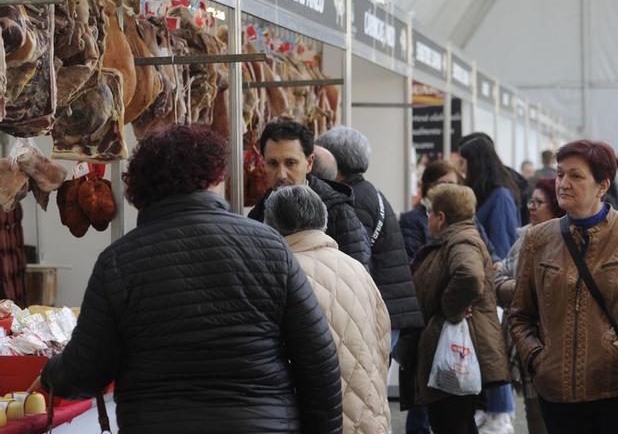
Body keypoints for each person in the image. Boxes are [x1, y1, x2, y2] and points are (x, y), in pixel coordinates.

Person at [40, 126, 343, 433]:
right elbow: (318, 360)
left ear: (140, 189)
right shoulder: (270, 245)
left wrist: (50, 374)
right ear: (212, 177)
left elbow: (86, 370)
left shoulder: (119, 261)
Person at [509, 139, 618, 434]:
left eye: (576, 176)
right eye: (560, 174)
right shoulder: (538, 240)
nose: (563, 183)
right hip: (557, 395)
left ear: (602, 185)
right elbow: (520, 313)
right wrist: (537, 357)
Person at [265, 185, 392, 434]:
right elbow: (382, 342)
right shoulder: (357, 269)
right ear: (322, 219)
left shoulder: (280, 275)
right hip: (369, 417)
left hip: (314, 420)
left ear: (270, 223)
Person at [397, 160, 499, 434]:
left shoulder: (461, 240)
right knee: (457, 422)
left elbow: (469, 277)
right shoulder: (459, 237)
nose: (426, 219)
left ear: (441, 218)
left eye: (430, 213)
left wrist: (449, 309)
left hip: (453, 349)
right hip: (449, 347)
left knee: (451, 421)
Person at [316, 126, 423, 337]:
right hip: (389, 309)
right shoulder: (367, 191)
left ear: (334, 163)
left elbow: (355, 260)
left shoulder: (354, 200)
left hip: (377, 315)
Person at [458, 136, 519, 433]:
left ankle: (500, 411)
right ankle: (492, 408)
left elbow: (505, 248)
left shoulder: (500, 197)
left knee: (494, 351)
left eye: (463, 162)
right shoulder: (488, 195)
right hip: (485, 286)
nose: (460, 169)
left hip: (494, 288)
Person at [249, 120, 370, 268]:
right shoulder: (258, 213)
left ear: (310, 163)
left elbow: (357, 275)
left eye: (290, 163)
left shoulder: (337, 211)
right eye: (273, 163)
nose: (281, 174)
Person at [495, 178, 564, 434]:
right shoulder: (523, 238)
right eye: (530, 202)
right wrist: (519, 288)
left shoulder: (566, 239)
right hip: (526, 340)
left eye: (539, 202)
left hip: (555, 342)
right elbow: (499, 281)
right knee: (534, 411)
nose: (532, 207)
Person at [460, 132, 530, 225]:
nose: (461, 168)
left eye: (463, 162)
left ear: (476, 161)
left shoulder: (500, 195)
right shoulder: (487, 188)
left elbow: (502, 237)